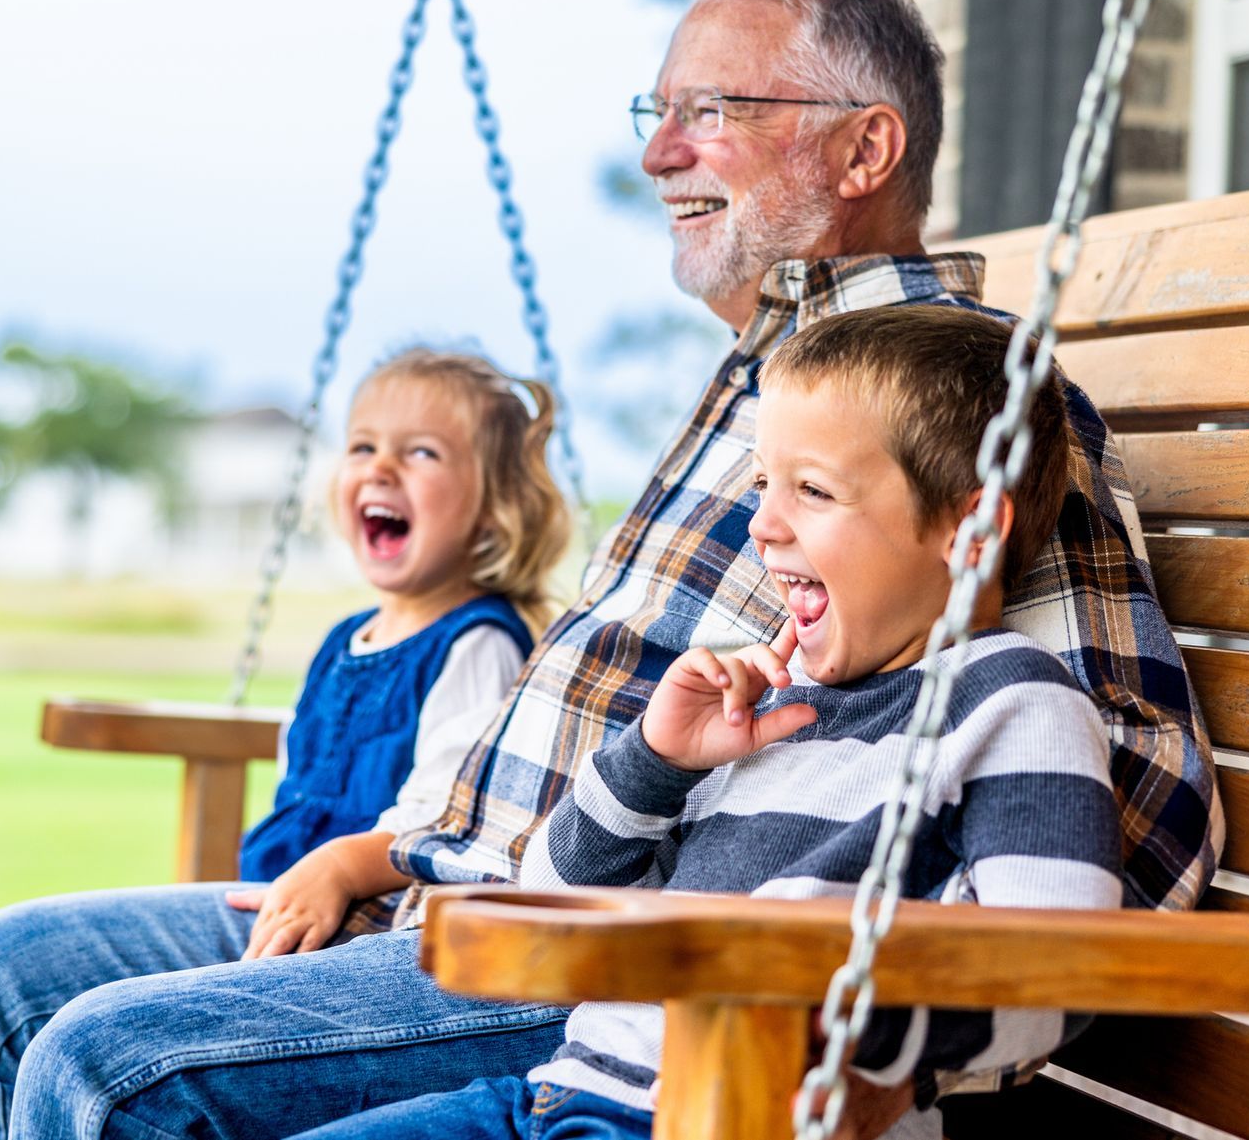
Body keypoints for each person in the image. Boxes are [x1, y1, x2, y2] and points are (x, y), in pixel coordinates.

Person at [0, 0, 1220, 1140]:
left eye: (711, 111)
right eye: (654, 111)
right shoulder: (770, 391)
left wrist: (831, 987)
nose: (661, 153)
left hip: (606, 965)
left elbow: (1132, 814)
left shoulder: (948, 413)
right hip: (449, 883)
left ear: (865, 147)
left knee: (109, 1065)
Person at [287, 304, 1124, 1140]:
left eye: (813, 490)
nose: (762, 524)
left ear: (972, 533)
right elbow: (548, 898)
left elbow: (1057, 967)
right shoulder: (766, 703)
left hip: (727, 1112)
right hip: (556, 1094)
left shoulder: (1016, 704)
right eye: (764, 484)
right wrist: (655, 759)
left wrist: (868, 1049)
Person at [228, 347, 569, 959]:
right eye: (363, 446)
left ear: (495, 510)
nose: (381, 467)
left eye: (420, 453)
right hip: (282, 898)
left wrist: (337, 870)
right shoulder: (344, 640)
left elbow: (448, 816)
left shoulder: (478, 643)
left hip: (370, 923)